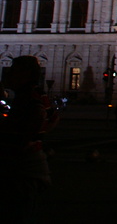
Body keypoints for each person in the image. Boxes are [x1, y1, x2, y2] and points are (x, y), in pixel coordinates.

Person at [0, 56, 59, 223]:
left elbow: (32, 123)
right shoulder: (36, 93)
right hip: (30, 165)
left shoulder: (28, 97)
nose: (8, 75)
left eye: (13, 71)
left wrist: (29, 140)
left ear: (24, 74)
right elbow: (53, 118)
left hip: (23, 168)